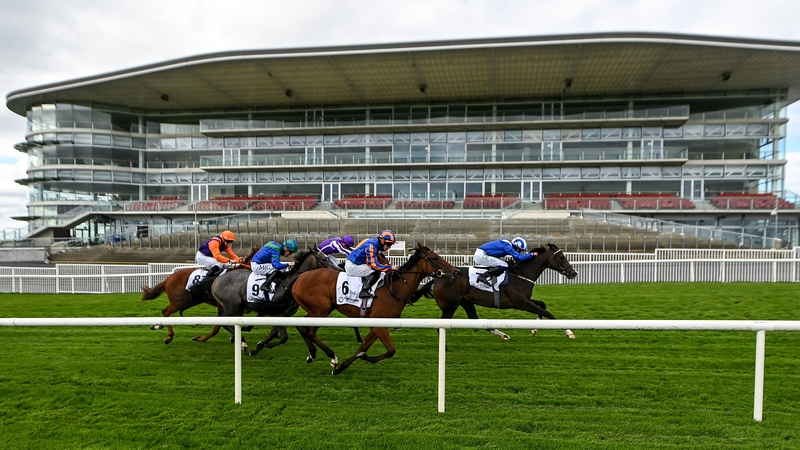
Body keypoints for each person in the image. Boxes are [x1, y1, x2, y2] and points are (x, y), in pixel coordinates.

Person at [345, 229, 399, 306]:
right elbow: (374, 266)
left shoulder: (373, 244)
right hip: (352, 266)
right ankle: (364, 291)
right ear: (382, 241)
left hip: (356, 263)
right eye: (389, 244)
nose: (389, 247)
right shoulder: (371, 246)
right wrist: (390, 267)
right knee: (376, 272)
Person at [191, 230, 243, 295]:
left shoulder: (225, 243)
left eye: (230, 242)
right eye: (227, 241)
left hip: (209, 257)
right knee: (220, 263)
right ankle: (206, 280)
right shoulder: (214, 242)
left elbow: (231, 254)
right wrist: (230, 260)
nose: (228, 243)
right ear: (222, 238)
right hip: (201, 257)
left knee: (226, 265)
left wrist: (239, 260)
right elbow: (218, 257)